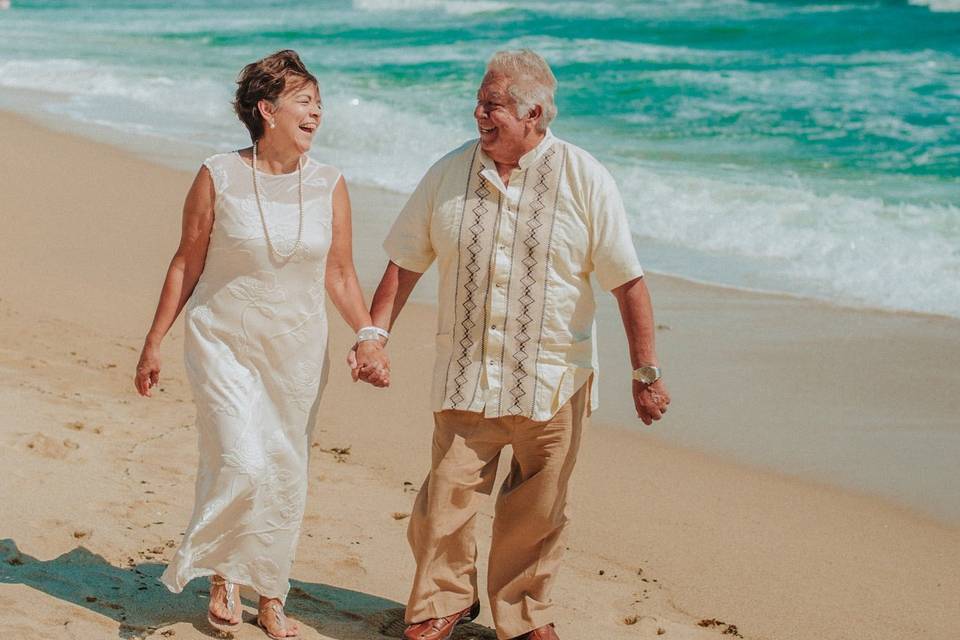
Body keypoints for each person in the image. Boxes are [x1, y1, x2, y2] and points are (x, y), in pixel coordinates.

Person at [357, 49, 671, 640]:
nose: (478, 112)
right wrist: (375, 335)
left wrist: (646, 373)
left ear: (534, 114)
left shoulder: (584, 178)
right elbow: (404, 262)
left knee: (538, 511)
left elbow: (627, 282)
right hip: (466, 375)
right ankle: (443, 600)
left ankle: (523, 614)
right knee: (444, 502)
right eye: (479, 100)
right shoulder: (448, 173)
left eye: (492, 104)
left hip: (552, 383)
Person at [134, 49, 389, 639]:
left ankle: (271, 590)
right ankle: (225, 573)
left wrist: (370, 335)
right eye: (304, 101)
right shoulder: (218, 173)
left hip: (297, 350)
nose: (317, 113)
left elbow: (342, 275)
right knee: (241, 458)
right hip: (221, 339)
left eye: (319, 103)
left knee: (284, 467)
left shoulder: (329, 183)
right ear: (265, 110)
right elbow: (185, 263)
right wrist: (154, 342)